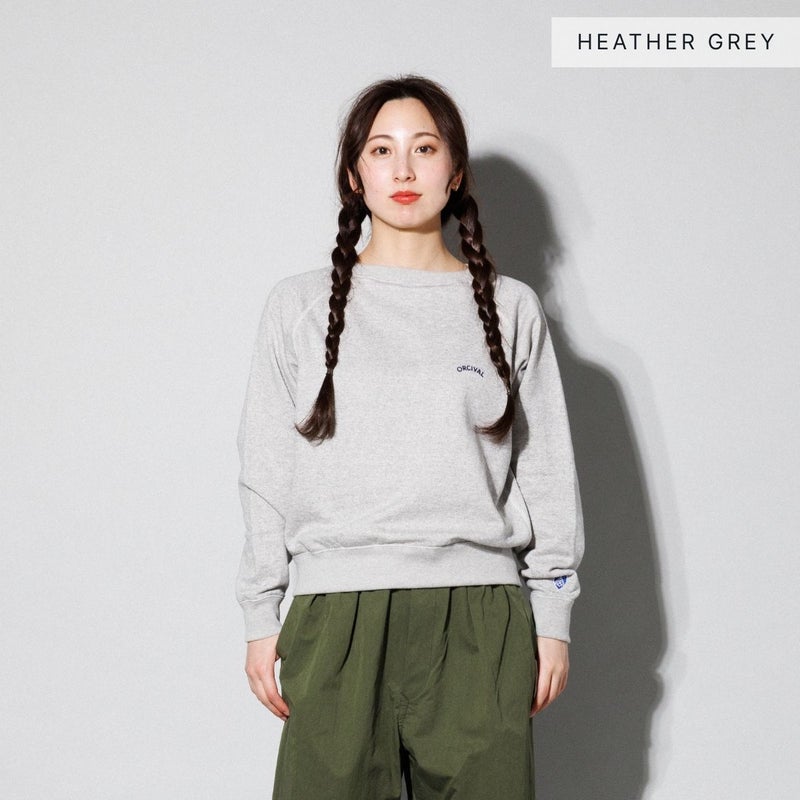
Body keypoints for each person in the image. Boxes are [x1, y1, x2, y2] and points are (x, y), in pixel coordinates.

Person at [235, 74, 585, 800]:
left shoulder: (511, 309)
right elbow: (266, 471)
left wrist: (552, 616)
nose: (403, 169)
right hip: (337, 615)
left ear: (454, 173)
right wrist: (260, 613)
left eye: (424, 149)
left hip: (479, 618)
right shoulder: (298, 307)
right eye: (381, 150)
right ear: (353, 174)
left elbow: (547, 475)